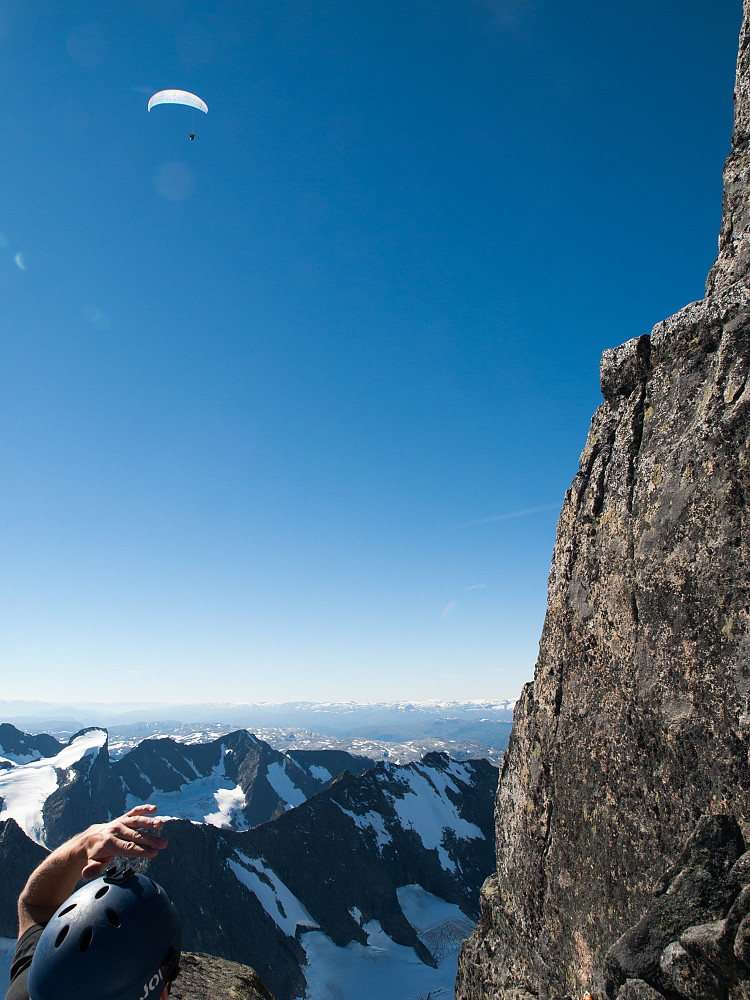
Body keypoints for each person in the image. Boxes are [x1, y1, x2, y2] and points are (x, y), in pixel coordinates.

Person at [4, 804, 179, 1000]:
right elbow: (35, 906)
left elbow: (36, 906)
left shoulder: (31, 992)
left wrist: (84, 842)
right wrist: (82, 843)